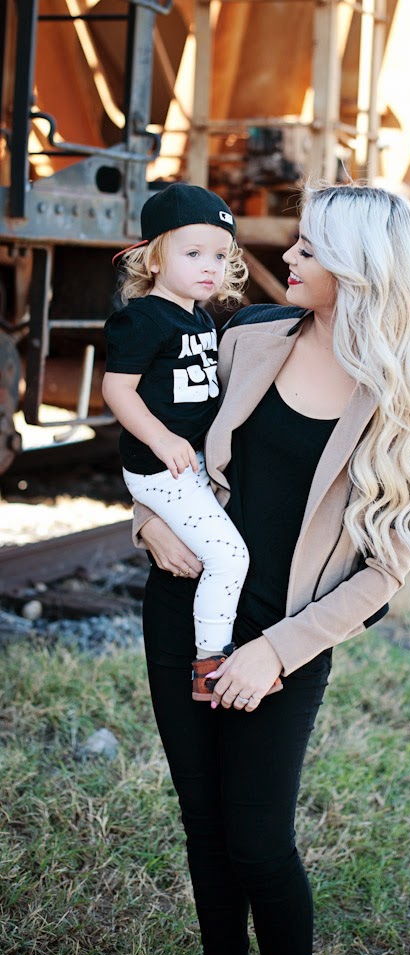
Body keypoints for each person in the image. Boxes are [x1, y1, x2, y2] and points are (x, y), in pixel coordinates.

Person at [132, 182, 410, 955]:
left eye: (308, 248)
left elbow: (383, 574)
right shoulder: (246, 335)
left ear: (357, 270)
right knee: (203, 826)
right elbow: (163, 447)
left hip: (282, 647)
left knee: (257, 842)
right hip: (182, 613)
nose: (285, 255)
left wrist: (275, 654)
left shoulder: (406, 395)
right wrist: (147, 525)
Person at [102, 183, 254, 685]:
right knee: (229, 558)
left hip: (189, 463)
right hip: (161, 466)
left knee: (225, 549)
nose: (210, 266)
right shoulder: (143, 319)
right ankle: (211, 662)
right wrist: (161, 438)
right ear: (154, 259)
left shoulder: (201, 318)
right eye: (193, 254)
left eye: (220, 255)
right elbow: (117, 389)